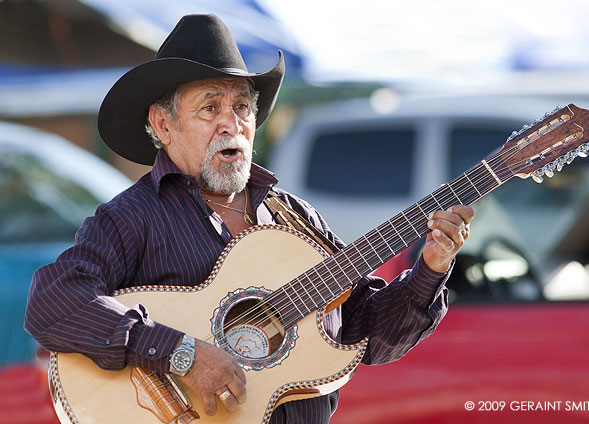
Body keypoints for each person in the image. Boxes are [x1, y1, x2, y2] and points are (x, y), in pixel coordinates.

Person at [24, 14, 474, 424]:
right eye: (210, 107)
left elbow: (369, 340)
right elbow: (52, 302)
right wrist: (180, 353)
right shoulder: (131, 217)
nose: (231, 123)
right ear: (163, 125)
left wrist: (429, 269)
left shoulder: (294, 217)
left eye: (242, 107)